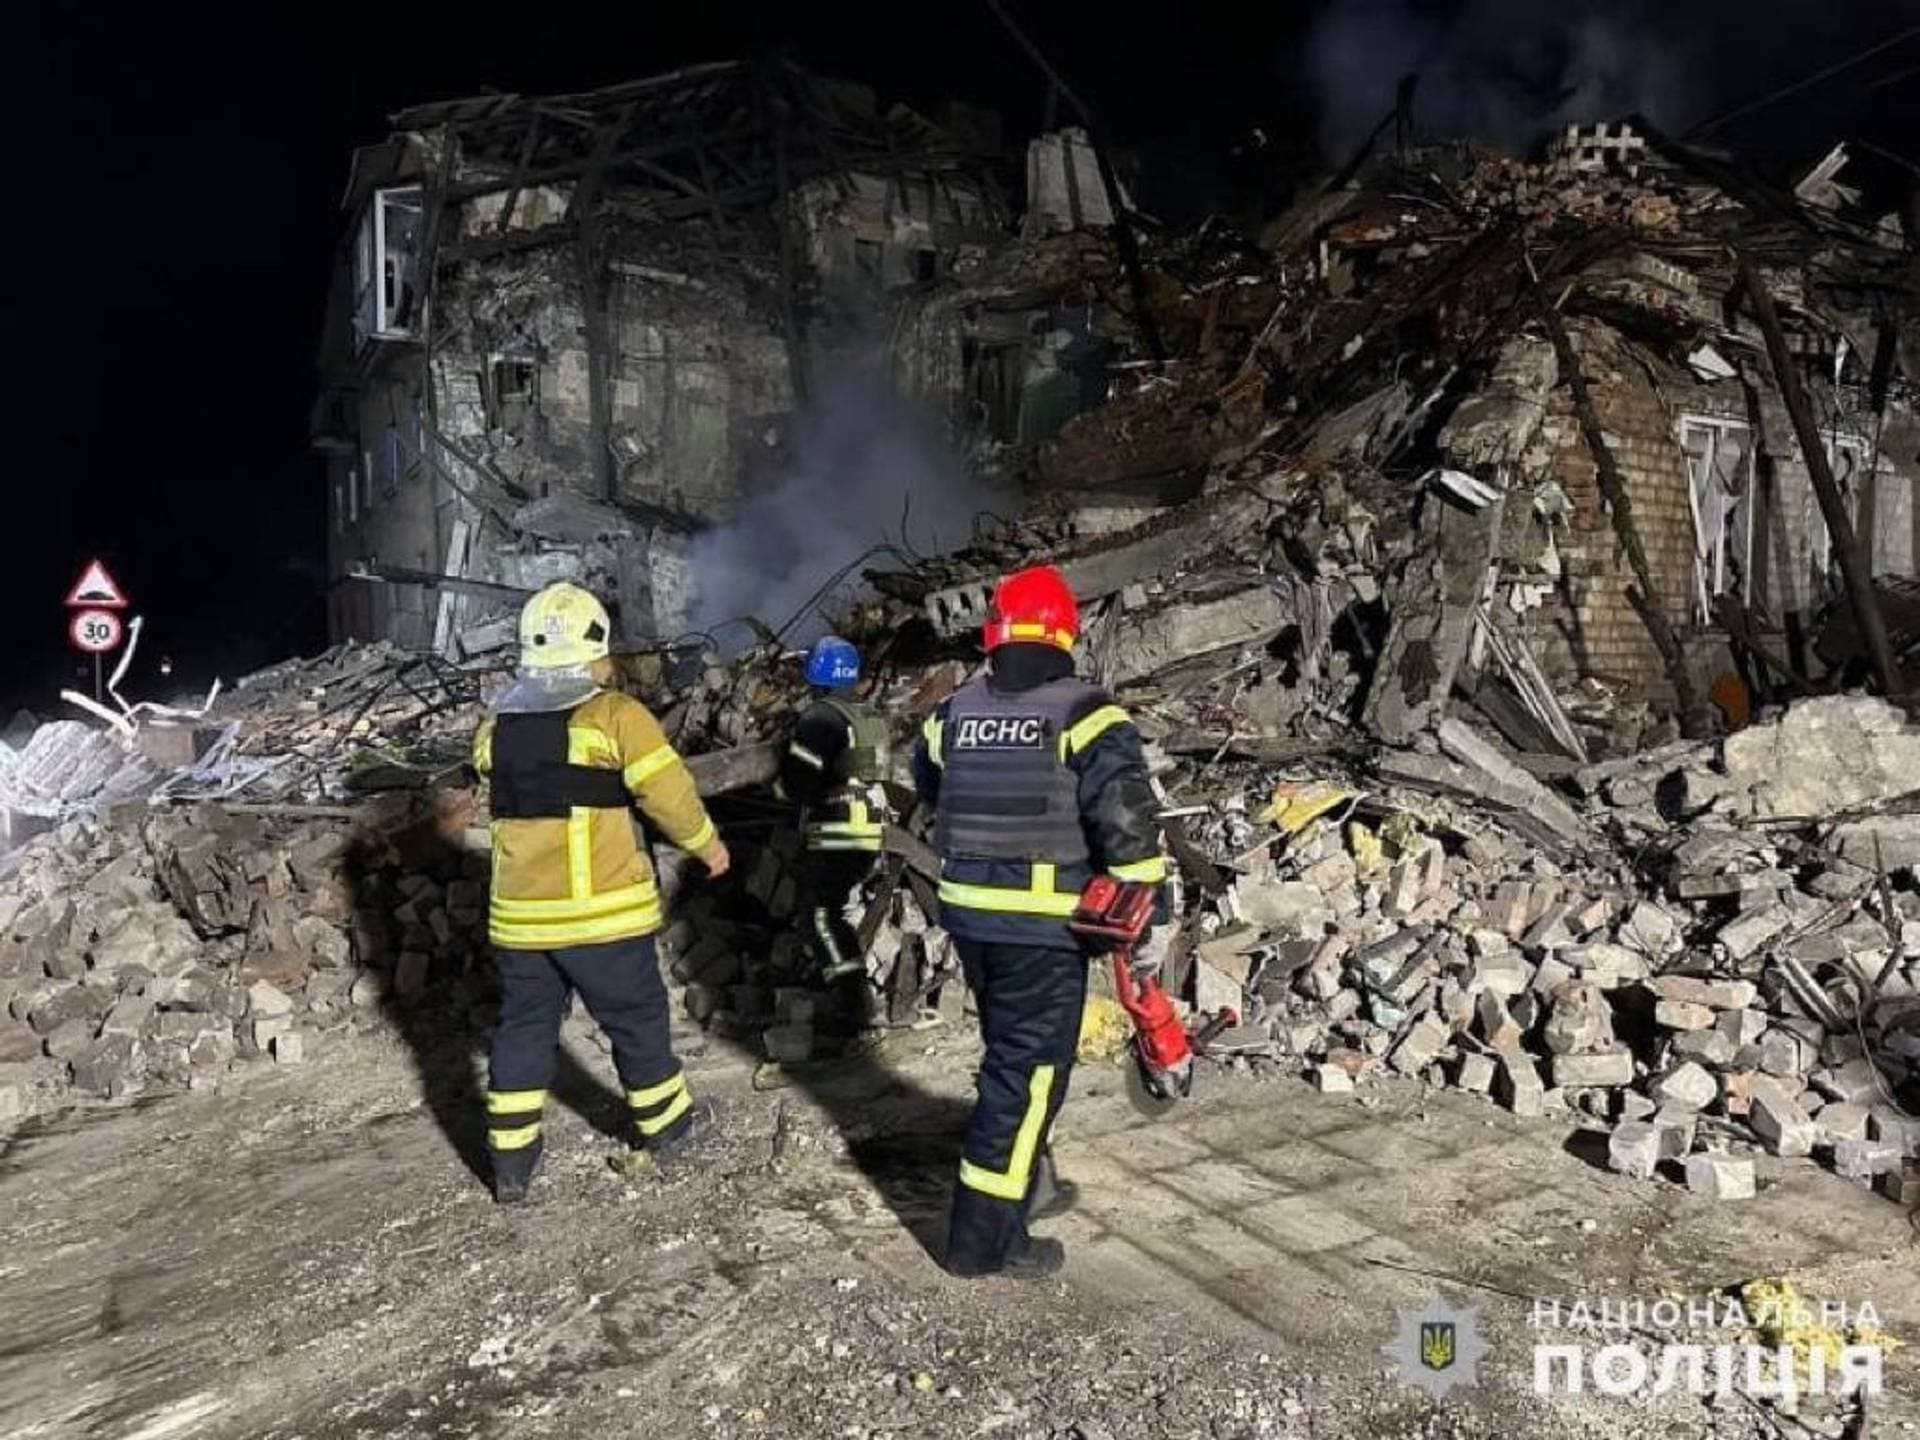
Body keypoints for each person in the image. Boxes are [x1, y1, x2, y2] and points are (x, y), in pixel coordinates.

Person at [912, 564, 1167, 1278]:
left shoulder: (952, 712)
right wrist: (1147, 907)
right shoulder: (1088, 714)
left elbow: (930, 783)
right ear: (1065, 634)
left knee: (1009, 1061)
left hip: (968, 916)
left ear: (995, 632)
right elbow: (1126, 825)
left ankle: (1034, 1186)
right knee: (1022, 1084)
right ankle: (983, 1243)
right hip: (1045, 928)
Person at [470, 582, 731, 1203]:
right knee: (636, 1019)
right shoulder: (615, 716)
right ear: (594, 651)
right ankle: (667, 1127)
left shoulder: (495, 729)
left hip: (523, 923)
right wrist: (707, 845)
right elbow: (668, 796)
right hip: (602, 916)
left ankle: (510, 1161)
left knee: (524, 1029)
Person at [776, 636, 891, 983]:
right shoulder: (869, 714)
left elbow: (797, 782)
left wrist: (778, 790)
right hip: (870, 828)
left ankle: (852, 1004)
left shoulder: (819, 717)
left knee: (822, 919)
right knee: (833, 912)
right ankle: (841, 990)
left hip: (838, 830)